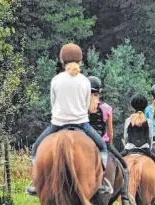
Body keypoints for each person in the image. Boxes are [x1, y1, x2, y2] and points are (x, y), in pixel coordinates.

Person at [26, 43, 110, 195]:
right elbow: (86, 104)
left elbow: (53, 102)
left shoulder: (56, 80)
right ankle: (101, 181)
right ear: (80, 60)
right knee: (102, 147)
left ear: (62, 60)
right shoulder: (85, 80)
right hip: (82, 124)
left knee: (35, 149)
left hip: (58, 124)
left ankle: (36, 182)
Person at [88, 76, 135, 205]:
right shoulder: (107, 108)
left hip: (84, 143)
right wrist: (110, 143)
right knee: (124, 166)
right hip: (103, 144)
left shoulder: (80, 106)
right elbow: (110, 132)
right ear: (100, 92)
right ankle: (125, 196)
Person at [122, 94, 155, 201]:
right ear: (145, 106)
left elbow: (125, 137)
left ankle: (116, 189)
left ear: (133, 106)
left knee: (116, 164)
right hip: (145, 150)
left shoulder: (128, 121)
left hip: (129, 149)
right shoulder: (149, 121)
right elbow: (150, 138)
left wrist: (127, 148)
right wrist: (148, 149)